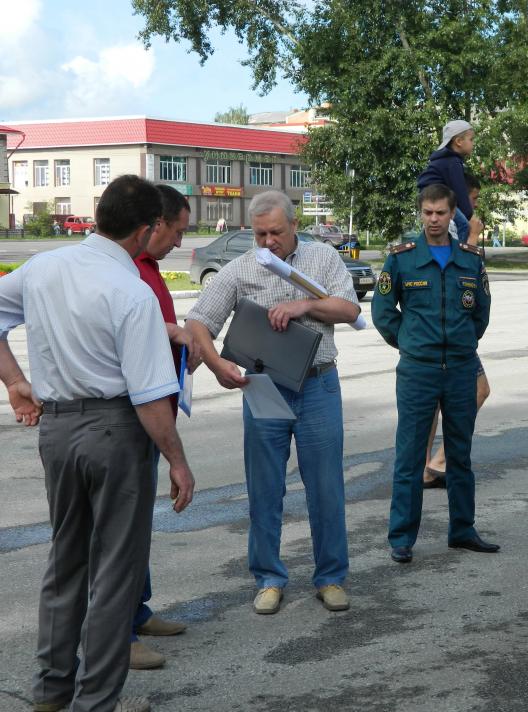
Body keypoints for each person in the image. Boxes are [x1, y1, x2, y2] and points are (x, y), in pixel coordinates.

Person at [0, 174, 196, 712]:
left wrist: (16, 381)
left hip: (58, 430)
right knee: (115, 572)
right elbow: (152, 399)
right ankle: (96, 702)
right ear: (147, 228)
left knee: (66, 564)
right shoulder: (130, 291)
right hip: (116, 431)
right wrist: (178, 460)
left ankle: (51, 691)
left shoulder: (45, 267)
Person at [185, 190, 359, 616]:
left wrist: (306, 304)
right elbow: (197, 321)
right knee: (265, 488)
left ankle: (331, 577)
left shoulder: (322, 259)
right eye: (260, 233)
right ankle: (268, 578)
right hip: (264, 388)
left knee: (325, 486)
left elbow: (350, 308)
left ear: (294, 226)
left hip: (318, 386)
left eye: (276, 233)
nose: (268, 242)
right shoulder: (240, 269)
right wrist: (215, 365)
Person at [372, 183, 495, 564]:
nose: (433, 220)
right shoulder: (402, 258)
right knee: (410, 455)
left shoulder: (470, 259)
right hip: (418, 371)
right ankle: (402, 537)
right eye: (427, 212)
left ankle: (462, 529)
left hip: (459, 369)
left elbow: (481, 314)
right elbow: (382, 311)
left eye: (440, 213)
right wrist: (411, 343)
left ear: (451, 213)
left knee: (460, 453)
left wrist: (458, 345)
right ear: (421, 213)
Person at [128, 184, 200, 670]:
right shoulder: (123, 272)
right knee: (118, 530)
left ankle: (137, 609)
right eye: (177, 230)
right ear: (153, 224)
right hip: (129, 419)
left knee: (135, 525)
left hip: (154, 416)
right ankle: (120, 631)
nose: (180, 242)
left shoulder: (148, 268)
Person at [424, 172, 490, 488]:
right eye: (473, 197)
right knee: (478, 390)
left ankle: (430, 466)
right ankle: (437, 462)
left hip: (456, 335)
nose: (474, 204)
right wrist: (475, 236)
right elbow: (463, 267)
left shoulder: (450, 221)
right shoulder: (454, 223)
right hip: (448, 335)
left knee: (439, 402)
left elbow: (482, 309)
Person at [417, 120, 477, 243]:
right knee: (465, 225)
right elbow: (459, 192)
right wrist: (470, 216)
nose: (473, 144)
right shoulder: (452, 162)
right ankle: (459, 254)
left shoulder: (447, 160)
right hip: (436, 195)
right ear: (459, 142)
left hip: (428, 195)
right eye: (471, 140)